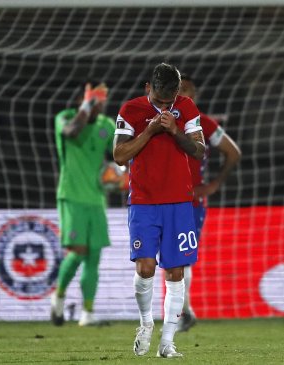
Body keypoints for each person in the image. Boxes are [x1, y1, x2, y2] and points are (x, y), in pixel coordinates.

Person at [113, 63, 205, 358]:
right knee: (145, 267)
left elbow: (199, 150)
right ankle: (145, 323)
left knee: (175, 272)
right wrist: (150, 131)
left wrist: (176, 130)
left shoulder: (187, 107)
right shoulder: (131, 110)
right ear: (147, 88)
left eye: (170, 101)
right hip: (143, 201)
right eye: (159, 100)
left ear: (177, 93)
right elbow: (119, 155)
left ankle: (167, 344)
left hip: (179, 202)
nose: (165, 105)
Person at [176, 75, 242, 332]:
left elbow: (233, 152)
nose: (185, 96)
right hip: (161, 199)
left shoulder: (204, 124)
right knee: (169, 258)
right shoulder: (161, 122)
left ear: (195, 97)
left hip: (191, 201)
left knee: (182, 257)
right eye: (181, 91)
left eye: (189, 92)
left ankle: (183, 313)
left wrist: (213, 185)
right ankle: (184, 311)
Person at [49, 83, 116, 327]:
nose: (102, 105)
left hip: (96, 199)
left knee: (93, 257)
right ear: (82, 100)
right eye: (96, 100)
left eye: (103, 100)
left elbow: (119, 153)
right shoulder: (65, 118)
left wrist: (121, 175)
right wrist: (87, 107)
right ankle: (58, 297)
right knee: (78, 252)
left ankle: (87, 313)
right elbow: (71, 132)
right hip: (72, 196)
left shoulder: (106, 126)